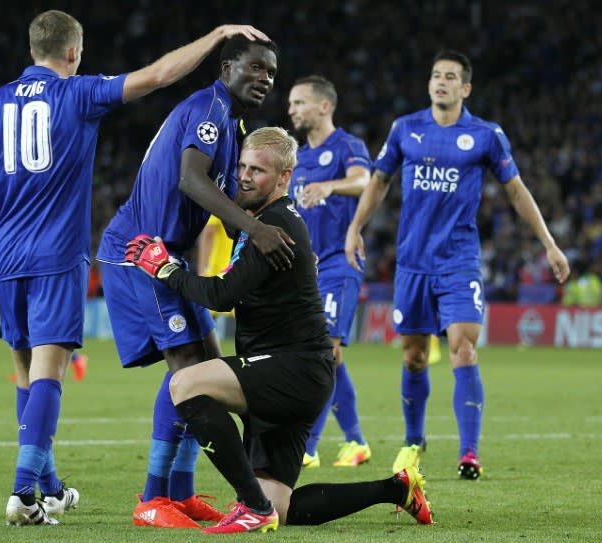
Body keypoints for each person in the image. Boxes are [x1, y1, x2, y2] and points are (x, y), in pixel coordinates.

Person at [0, 9, 271, 526]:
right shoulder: (78, 93)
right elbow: (157, 76)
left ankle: (53, 484)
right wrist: (218, 33)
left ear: (32, 51)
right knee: (58, 371)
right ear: (74, 53)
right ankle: (29, 492)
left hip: (5, 253)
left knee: (28, 373)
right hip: (63, 252)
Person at [125, 127, 433, 533]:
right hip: (296, 372)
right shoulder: (258, 221)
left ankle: (251, 506)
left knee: (185, 384)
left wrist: (166, 269)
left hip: (291, 370)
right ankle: (397, 489)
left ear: (285, 178)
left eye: (258, 170)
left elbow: (221, 294)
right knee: (283, 505)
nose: (246, 176)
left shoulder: (274, 229)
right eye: (242, 166)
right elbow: (217, 202)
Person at [96, 35, 293, 529]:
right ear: (227, 67)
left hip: (169, 253)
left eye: (271, 73)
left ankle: (180, 493)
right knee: (185, 369)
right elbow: (191, 180)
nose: (264, 79)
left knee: (205, 364)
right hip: (142, 251)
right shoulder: (209, 106)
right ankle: (152, 497)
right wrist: (255, 229)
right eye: (255, 68)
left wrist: (271, 229)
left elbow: (228, 207)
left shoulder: (232, 124)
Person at [345, 50, 570, 480]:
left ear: (465, 87)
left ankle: (469, 453)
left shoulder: (486, 135)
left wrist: (550, 244)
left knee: (463, 349)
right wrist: (355, 227)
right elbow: (379, 182)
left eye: (450, 77)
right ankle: (414, 440)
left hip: (459, 262)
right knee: (412, 357)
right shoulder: (405, 129)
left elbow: (517, 192)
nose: (440, 82)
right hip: (412, 263)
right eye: (435, 75)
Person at [287, 75, 372, 469]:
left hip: (341, 261)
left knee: (324, 350)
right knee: (330, 357)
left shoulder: (348, 147)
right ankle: (355, 441)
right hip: (307, 270)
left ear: (324, 106)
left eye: (300, 103)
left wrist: (331, 186)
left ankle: (307, 446)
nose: (292, 110)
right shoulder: (297, 159)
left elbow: (364, 181)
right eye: (291, 104)